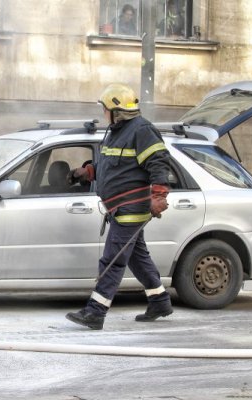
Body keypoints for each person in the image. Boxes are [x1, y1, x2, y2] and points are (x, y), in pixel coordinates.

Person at [65, 83, 172, 330]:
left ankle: (95, 312)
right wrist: (87, 172)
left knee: (112, 259)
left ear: (116, 111)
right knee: (137, 258)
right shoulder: (115, 132)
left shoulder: (142, 130)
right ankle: (160, 301)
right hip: (118, 206)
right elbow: (115, 166)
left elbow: (158, 162)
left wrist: (158, 195)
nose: (103, 113)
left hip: (131, 206)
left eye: (105, 109)